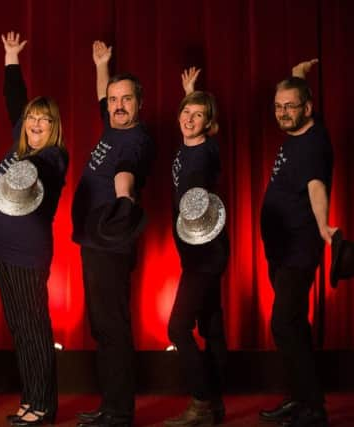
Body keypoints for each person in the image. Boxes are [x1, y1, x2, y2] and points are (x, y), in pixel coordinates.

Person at [0, 31, 68, 426]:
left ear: (54, 128)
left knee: (33, 327)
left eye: (43, 119)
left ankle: (44, 405)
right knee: (20, 327)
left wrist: (30, 164)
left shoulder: (53, 157)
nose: (35, 122)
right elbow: (14, 99)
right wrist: (11, 58)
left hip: (26, 254)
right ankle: (30, 397)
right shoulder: (22, 145)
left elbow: (41, 176)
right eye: (32, 117)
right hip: (0, 249)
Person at [71, 41, 153, 427]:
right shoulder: (112, 124)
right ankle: (110, 405)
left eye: (126, 100)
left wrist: (124, 198)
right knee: (102, 325)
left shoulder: (135, 140)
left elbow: (126, 171)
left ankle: (119, 412)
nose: (118, 105)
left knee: (113, 326)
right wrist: (101, 65)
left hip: (110, 240)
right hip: (94, 241)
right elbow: (103, 97)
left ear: (140, 103)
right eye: (114, 99)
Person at [259, 59, 335, 427]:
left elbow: (317, 186)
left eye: (291, 106)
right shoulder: (309, 130)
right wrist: (299, 73)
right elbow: (299, 94)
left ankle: (313, 409)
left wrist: (323, 226)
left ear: (308, 108)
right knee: (295, 326)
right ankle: (301, 397)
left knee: (284, 323)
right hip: (280, 249)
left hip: (298, 249)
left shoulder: (311, 145)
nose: (284, 113)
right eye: (279, 106)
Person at [163, 68, 229, 426]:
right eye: (186, 112)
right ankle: (217, 403)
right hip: (198, 254)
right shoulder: (194, 145)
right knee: (211, 325)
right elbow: (191, 120)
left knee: (178, 328)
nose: (189, 119)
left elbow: (198, 200)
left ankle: (202, 400)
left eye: (198, 115)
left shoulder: (203, 157)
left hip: (205, 255)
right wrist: (191, 93)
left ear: (210, 123)